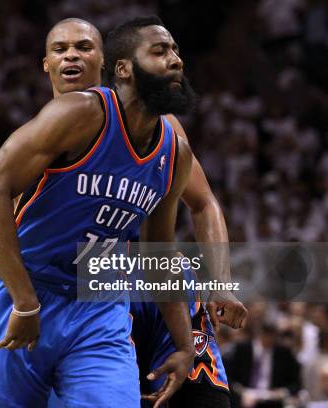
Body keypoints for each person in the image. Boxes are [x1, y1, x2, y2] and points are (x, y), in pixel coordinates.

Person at [0, 15, 197, 408]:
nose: (175, 61)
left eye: (174, 51)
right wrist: (24, 301)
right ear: (123, 68)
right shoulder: (82, 113)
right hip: (27, 289)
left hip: (99, 303)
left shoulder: (176, 154)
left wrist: (184, 344)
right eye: (160, 51)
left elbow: (158, 253)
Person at [42, 17, 246, 408]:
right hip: (86, 287)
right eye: (61, 49)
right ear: (47, 64)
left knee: (204, 398)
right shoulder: (42, 136)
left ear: (106, 62)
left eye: (83, 48)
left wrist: (220, 282)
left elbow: (203, 202)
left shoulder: (160, 126)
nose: (72, 56)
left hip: (158, 275)